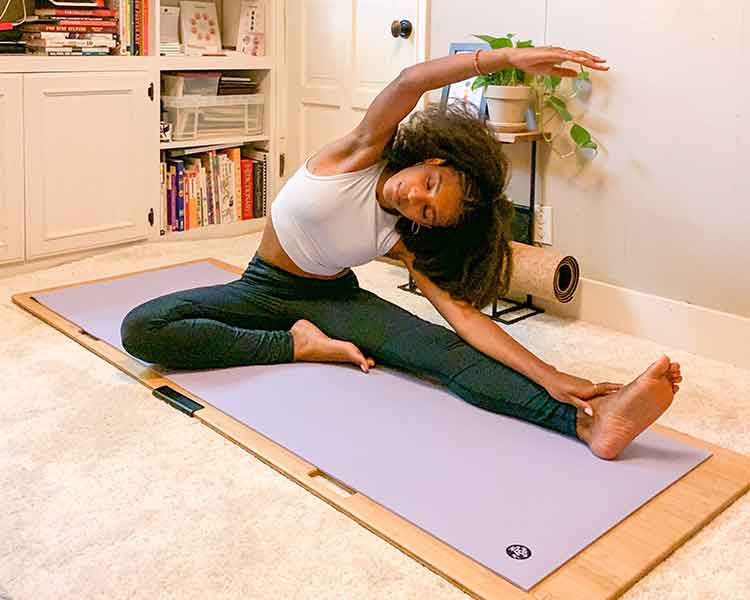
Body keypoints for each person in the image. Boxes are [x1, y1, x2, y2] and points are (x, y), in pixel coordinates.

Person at [122, 45, 681, 460]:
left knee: (441, 354)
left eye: (428, 214)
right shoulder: (364, 150)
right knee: (145, 328)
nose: (414, 200)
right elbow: (411, 80)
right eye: (429, 188)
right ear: (432, 163)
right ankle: (297, 346)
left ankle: (588, 425)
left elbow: (464, 319)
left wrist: (550, 372)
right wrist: (509, 58)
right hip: (262, 286)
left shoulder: (404, 234)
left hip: (334, 299)